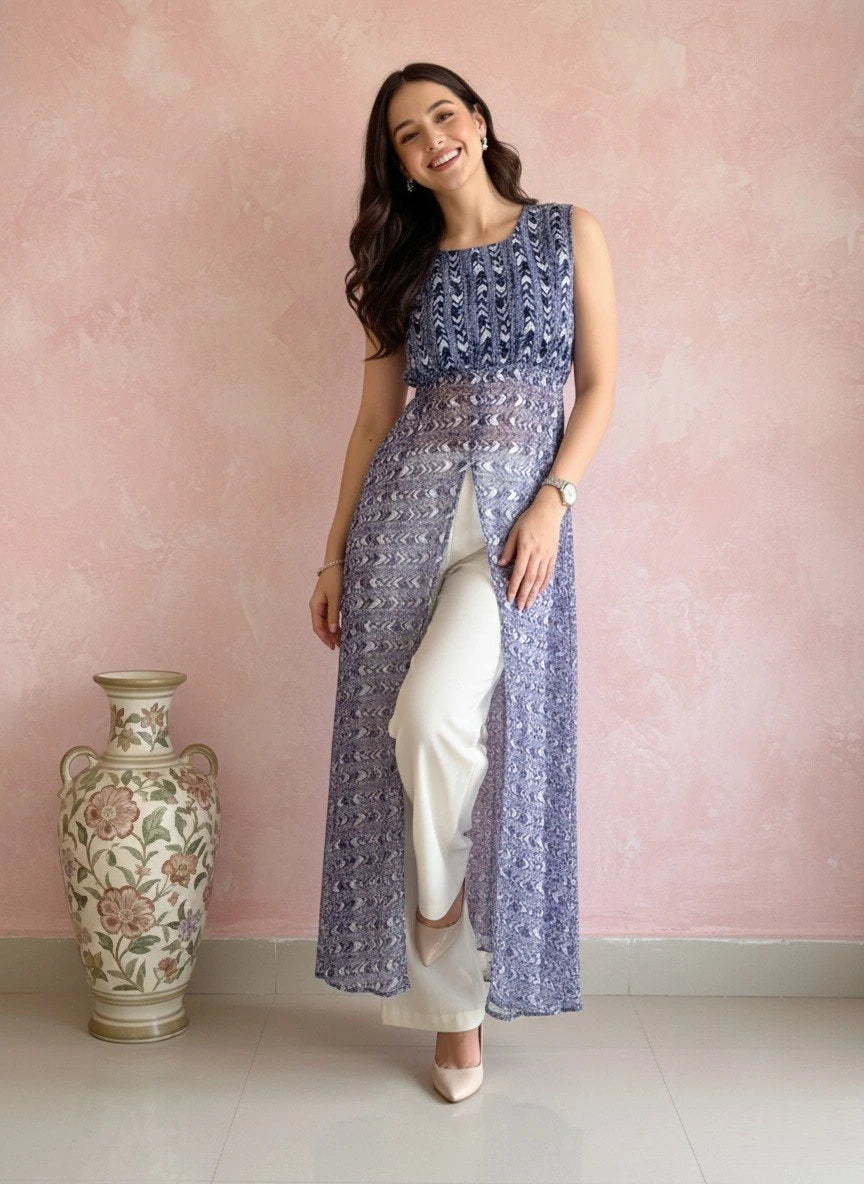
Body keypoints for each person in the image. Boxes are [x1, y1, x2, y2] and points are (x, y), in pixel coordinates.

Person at [309, 62, 617, 1103]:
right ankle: (452, 1002)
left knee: (437, 718)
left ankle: (451, 954)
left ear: (479, 120)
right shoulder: (404, 269)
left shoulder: (568, 231)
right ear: (396, 164)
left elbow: (602, 385)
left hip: (513, 527)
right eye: (406, 132)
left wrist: (553, 501)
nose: (431, 135)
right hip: (405, 516)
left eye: (444, 113)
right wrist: (333, 548)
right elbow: (370, 423)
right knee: (400, 737)